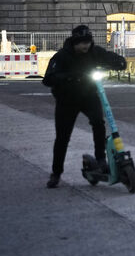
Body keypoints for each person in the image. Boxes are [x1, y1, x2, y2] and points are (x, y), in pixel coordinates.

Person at [41, 25, 127, 188]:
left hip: (88, 96)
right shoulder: (62, 56)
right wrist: (70, 78)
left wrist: (120, 62)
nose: (85, 46)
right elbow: (48, 79)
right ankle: (56, 173)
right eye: (82, 43)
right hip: (67, 100)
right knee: (63, 137)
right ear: (74, 42)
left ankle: (100, 159)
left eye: (88, 42)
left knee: (98, 123)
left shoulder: (95, 52)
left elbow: (108, 57)